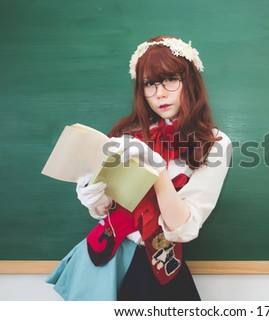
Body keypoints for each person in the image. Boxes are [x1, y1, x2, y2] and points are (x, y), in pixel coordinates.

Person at [46, 36, 232, 301]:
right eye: (150, 84)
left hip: (156, 264)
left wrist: (157, 172)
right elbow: (107, 208)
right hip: (103, 257)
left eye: (170, 79)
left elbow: (184, 227)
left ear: (189, 81)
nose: (159, 93)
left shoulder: (214, 143)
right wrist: (95, 197)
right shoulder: (125, 133)